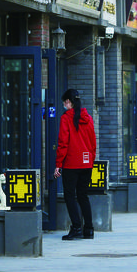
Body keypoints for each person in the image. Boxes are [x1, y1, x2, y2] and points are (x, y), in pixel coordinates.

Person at [54, 89, 97, 240]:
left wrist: (58, 164)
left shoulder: (66, 118)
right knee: (83, 195)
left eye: (65, 102)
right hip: (86, 163)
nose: (64, 105)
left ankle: (76, 227)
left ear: (69, 102)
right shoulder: (88, 118)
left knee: (70, 196)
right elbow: (93, 142)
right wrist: (90, 160)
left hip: (71, 163)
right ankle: (89, 229)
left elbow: (63, 143)